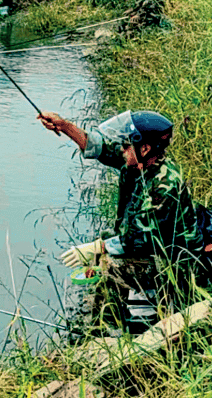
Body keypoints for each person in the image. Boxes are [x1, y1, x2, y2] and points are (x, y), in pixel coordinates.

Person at [37, 109, 202, 332]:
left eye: (126, 146)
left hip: (175, 262)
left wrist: (98, 249)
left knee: (107, 265)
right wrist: (64, 126)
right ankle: (112, 317)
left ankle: (99, 329)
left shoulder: (164, 184)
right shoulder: (137, 163)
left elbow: (138, 240)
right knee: (104, 250)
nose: (122, 150)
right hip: (150, 248)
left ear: (144, 148)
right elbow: (99, 147)